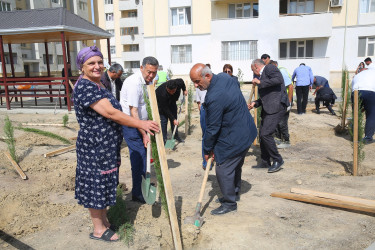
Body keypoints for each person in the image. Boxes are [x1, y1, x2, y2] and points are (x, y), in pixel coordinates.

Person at [73, 46, 158, 242]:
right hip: (94, 148)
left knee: (103, 184)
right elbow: (111, 113)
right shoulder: (86, 87)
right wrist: (141, 123)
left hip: (106, 148)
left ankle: (104, 221)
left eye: (100, 62)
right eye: (91, 63)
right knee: (96, 186)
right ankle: (98, 230)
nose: (97, 66)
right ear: (82, 67)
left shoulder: (98, 84)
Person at [190, 63, 257, 215]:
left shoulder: (214, 97)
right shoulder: (225, 78)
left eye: (197, 81)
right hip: (247, 130)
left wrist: (207, 150)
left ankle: (229, 203)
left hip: (236, 135)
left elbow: (212, 128)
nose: (195, 85)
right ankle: (234, 193)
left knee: (223, 168)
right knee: (236, 164)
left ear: (207, 76)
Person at [120, 56, 159, 203]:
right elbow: (133, 111)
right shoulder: (134, 83)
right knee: (139, 158)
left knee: (144, 158)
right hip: (132, 126)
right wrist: (143, 133)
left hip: (141, 124)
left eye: (154, 73)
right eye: (148, 72)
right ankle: (137, 193)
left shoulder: (147, 82)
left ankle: (141, 189)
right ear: (141, 68)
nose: (151, 75)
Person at [248, 59, 289, 173]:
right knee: (262, 134)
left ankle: (278, 159)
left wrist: (260, 82)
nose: (254, 73)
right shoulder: (263, 76)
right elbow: (267, 96)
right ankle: (266, 161)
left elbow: (279, 80)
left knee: (266, 133)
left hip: (277, 107)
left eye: (253, 70)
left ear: (256, 66)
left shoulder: (269, 68)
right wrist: (255, 103)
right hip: (269, 107)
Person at [155, 78, 187, 144]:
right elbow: (165, 108)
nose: (171, 93)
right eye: (169, 91)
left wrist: (184, 90)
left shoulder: (178, 82)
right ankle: (164, 139)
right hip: (162, 106)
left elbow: (182, 81)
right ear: (166, 88)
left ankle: (176, 136)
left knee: (174, 121)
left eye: (173, 91)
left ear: (176, 88)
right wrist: (173, 119)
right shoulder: (161, 93)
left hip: (172, 103)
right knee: (164, 121)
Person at [271, 60, 293, 149]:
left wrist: (289, 102)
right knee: (276, 121)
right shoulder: (274, 74)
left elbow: (290, 87)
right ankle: (278, 139)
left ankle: (286, 141)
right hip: (277, 101)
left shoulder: (282, 72)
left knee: (282, 122)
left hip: (284, 101)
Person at [351, 68, 375, 144]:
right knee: (371, 115)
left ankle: (354, 135)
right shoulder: (373, 73)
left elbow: (352, 87)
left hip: (355, 91)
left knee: (356, 114)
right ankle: (368, 137)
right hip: (370, 91)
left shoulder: (358, 75)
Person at [195, 87, 210, 169]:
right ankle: (206, 161)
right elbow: (199, 103)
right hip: (204, 109)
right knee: (205, 136)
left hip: (213, 108)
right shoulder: (198, 87)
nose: (196, 84)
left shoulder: (212, 84)